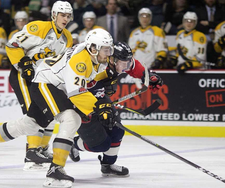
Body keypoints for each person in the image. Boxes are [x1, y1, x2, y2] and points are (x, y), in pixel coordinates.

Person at [0, 28, 116, 188]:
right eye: (105, 49)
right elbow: (76, 92)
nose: (108, 53)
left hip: (51, 84)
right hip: (46, 84)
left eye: (109, 49)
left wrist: (103, 85)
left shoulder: (94, 56)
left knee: (30, 124)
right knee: (71, 118)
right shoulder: (81, 61)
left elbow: (85, 81)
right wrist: (98, 106)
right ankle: (56, 169)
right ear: (93, 48)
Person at [69, 41, 163, 176]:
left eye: (127, 63)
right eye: (124, 64)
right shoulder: (95, 65)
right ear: (112, 59)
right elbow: (77, 89)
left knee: (117, 129)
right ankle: (75, 144)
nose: (126, 67)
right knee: (100, 145)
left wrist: (148, 76)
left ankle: (108, 165)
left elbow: (134, 66)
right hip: (81, 104)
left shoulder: (116, 62)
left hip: (101, 100)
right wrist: (99, 97)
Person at [6, 1, 73, 171]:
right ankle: (31, 153)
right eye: (62, 15)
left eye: (67, 16)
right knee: (33, 112)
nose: (65, 19)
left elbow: (63, 64)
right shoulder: (39, 28)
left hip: (41, 79)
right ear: (53, 15)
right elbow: (13, 44)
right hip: (22, 75)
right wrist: (24, 63)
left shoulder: (68, 38)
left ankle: (41, 150)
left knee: (49, 112)